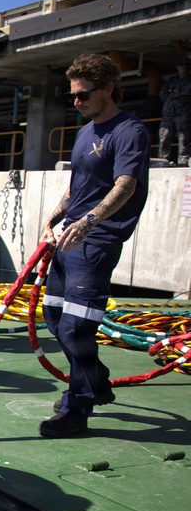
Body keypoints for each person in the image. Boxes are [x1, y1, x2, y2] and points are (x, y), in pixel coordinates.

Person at [38, 53, 150, 437]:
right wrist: (54, 218)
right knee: (55, 319)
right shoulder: (86, 131)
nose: (77, 102)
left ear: (107, 90)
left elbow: (125, 184)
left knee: (76, 328)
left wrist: (89, 222)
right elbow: (78, 185)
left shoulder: (128, 130)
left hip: (96, 241)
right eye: (74, 95)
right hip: (69, 238)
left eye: (84, 95)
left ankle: (77, 410)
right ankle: (96, 381)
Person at [159, 57, 191, 166]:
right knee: (165, 136)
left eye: (186, 64)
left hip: (183, 113)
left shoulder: (189, 80)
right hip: (168, 113)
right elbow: (162, 95)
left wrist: (177, 93)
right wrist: (177, 94)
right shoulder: (171, 80)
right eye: (181, 64)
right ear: (177, 66)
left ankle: (183, 161)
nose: (183, 66)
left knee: (184, 138)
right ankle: (163, 160)